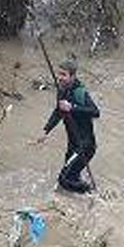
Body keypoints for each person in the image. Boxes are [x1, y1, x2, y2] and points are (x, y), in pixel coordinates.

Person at [36, 58, 100, 193]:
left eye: (64, 75)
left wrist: (72, 107)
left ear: (72, 76)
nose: (60, 78)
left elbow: (95, 112)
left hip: (85, 146)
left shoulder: (80, 93)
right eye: (59, 74)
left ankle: (92, 194)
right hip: (72, 143)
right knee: (71, 175)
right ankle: (77, 198)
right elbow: (58, 111)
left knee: (64, 179)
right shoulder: (62, 90)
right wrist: (46, 131)